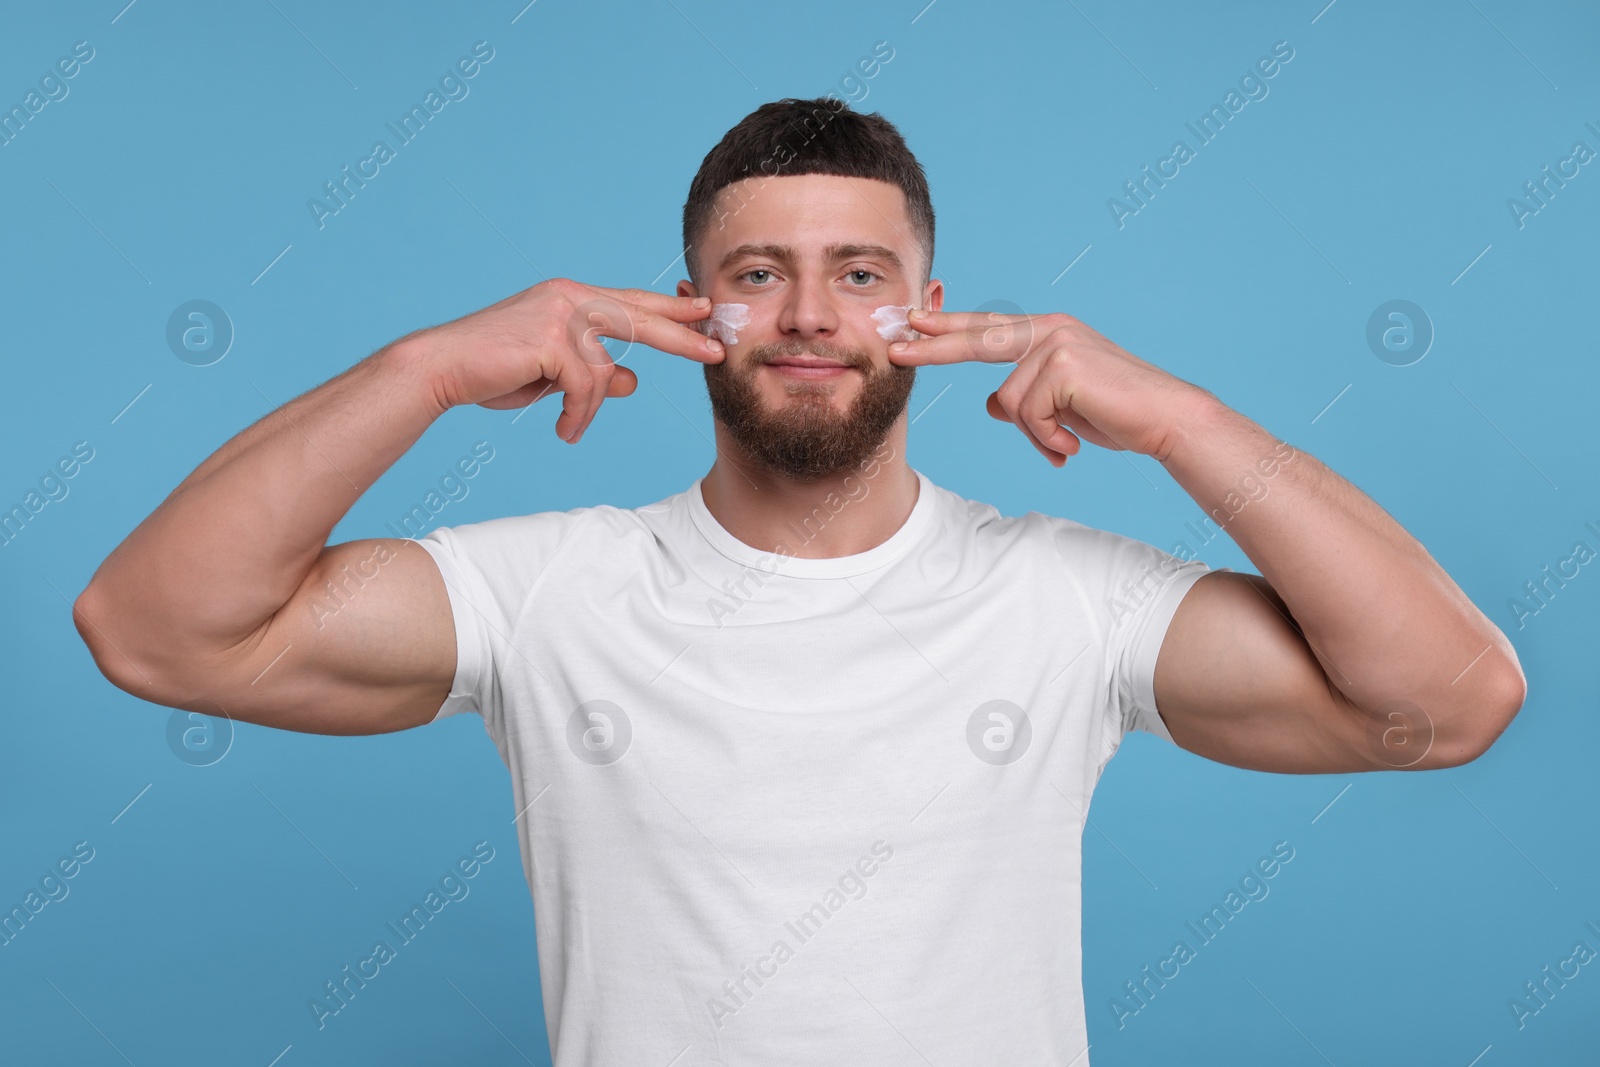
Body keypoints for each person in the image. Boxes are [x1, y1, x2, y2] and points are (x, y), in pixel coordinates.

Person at [72, 97, 1525, 1064]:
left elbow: (1452, 703)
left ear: (929, 312)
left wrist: (1186, 423)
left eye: (860, 273)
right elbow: (151, 631)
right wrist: (428, 370)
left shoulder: (1067, 601)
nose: (814, 314)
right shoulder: (547, 594)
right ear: (690, 305)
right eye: (758, 273)